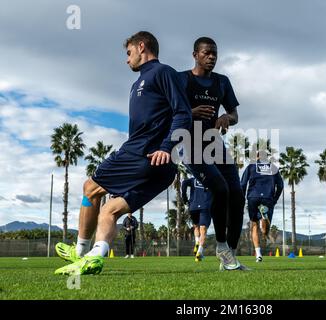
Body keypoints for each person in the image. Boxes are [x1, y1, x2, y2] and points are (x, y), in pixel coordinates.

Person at [54, 31, 192, 275]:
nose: (127, 59)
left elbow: (183, 113)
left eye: (128, 53)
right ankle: (95, 256)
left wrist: (165, 147)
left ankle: (80, 250)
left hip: (143, 154)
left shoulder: (161, 72)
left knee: (90, 188)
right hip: (161, 169)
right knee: (110, 210)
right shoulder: (137, 83)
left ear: (141, 47)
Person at [177, 37, 246, 271]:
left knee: (236, 195)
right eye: (207, 53)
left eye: (215, 54)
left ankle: (230, 257)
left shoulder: (222, 82)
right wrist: (191, 111)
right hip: (190, 142)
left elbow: (235, 115)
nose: (212, 57)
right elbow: (166, 113)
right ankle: (221, 246)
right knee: (220, 188)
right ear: (195, 54)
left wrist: (227, 118)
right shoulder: (181, 80)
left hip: (214, 143)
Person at [241, 150, 284, 262]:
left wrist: (242, 197)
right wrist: (274, 199)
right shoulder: (273, 168)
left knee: (253, 225)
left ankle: (258, 254)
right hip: (268, 198)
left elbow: (243, 184)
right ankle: (264, 217)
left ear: (257, 157)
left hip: (253, 197)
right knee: (265, 231)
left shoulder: (251, 167)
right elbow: (280, 185)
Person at [181, 177, 212, 262]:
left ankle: (197, 242)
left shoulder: (193, 179)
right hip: (205, 205)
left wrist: (184, 197)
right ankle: (199, 252)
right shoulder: (212, 177)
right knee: (203, 230)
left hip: (193, 206)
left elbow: (183, 183)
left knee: (196, 226)